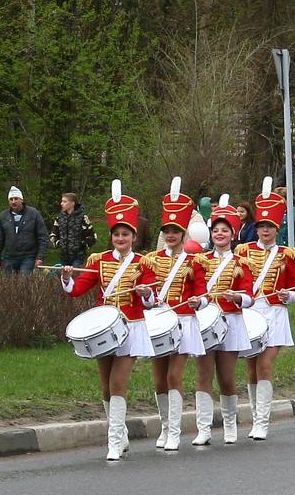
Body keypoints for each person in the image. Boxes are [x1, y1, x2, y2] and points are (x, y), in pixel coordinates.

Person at [62, 183, 155, 462]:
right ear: (111, 236)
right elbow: (77, 290)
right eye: (117, 234)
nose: (121, 238)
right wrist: (67, 276)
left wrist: (146, 292)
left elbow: (152, 297)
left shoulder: (143, 263)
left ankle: (113, 441)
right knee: (105, 386)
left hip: (131, 327)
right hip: (103, 327)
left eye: (126, 234)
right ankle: (122, 435)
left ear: (134, 237)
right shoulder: (98, 261)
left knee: (118, 383)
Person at [141, 183, 205, 454]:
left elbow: (204, 293)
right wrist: (146, 295)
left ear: (183, 233)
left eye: (175, 231)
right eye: (166, 231)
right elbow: (147, 297)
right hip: (158, 322)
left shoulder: (194, 261)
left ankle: (176, 432)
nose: (170, 235)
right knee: (158, 380)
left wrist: (197, 301)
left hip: (183, 322)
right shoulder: (151, 260)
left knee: (174, 375)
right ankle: (165, 426)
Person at [238, 181, 295, 441]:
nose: (265, 231)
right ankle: (255, 416)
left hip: (275, 313)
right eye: (262, 226)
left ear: (277, 229)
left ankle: (262, 421)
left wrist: (290, 296)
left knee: (265, 365)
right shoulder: (243, 252)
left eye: (270, 227)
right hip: (251, 314)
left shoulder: (287, 255)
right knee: (251, 368)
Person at [193, 197, 255, 444]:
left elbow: (250, 296)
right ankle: (204, 429)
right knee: (203, 376)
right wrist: (197, 302)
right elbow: (195, 290)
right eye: (216, 230)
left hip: (230, 321)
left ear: (233, 233)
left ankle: (230, 425)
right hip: (205, 323)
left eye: (224, 230)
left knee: (227, 378)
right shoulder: (199, 261)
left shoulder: (242, 262)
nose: (219, 234)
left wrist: (238, 297)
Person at [0, 186, 48, 274]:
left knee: (23, 283)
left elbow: (42, 237)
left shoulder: (34, 214)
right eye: (11, 199)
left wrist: (40, 257)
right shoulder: (3, 216)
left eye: (16, 199)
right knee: (9, 284)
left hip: (28, 256)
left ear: (21, 200)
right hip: (9, 257)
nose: (13, 202)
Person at [53, 192, 94, 270]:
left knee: (75, 278)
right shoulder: (60, 218)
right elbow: (53, 234)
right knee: (63, 278)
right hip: (63, 256)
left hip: (78, 256)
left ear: (72, 203)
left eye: (64, 201)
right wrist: (59, 244)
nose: (61, 204)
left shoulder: (83, 217)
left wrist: (82, 245)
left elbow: (92, 236)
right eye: (62, 201)